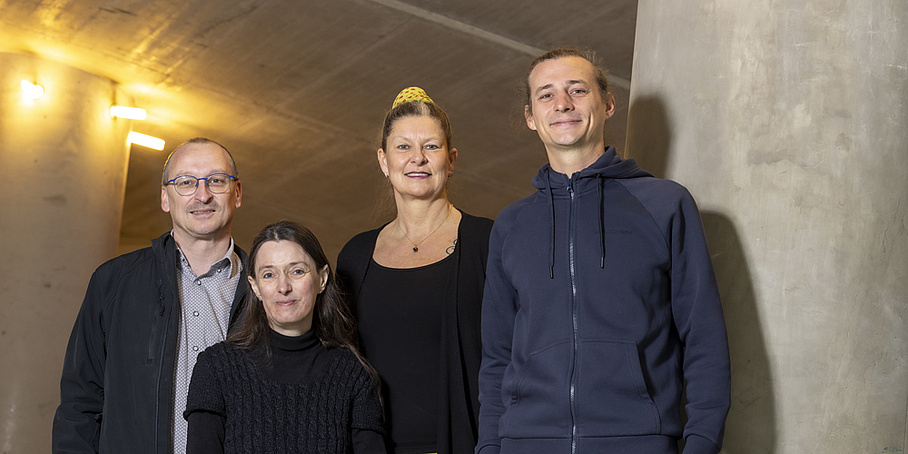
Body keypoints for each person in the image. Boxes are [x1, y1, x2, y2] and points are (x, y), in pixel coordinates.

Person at [475, 48, 731, 454]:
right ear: (530, 117)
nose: (562, 103)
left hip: (638, 441)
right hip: (526, 442)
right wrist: (490, 447)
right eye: (546, 95)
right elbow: (497, 356)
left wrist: (700, 444)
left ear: (608, 104)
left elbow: (703, 338)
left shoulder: (665, 204)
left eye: (577, 89)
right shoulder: (511, 225)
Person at [53, 137, 246, 453]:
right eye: (185, 182)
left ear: (236, 192)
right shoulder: (113, 282)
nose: (202, 194)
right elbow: (81, 403)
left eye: (216, 180)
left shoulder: (267, 291)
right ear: (165, 198)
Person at [337, 87, 493, 454]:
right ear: (383, 160)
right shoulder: (355, 256)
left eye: (432, 147)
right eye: (403, 147)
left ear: (451, 160)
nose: (417, 159)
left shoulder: (489, 242)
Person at [184, 220, 385, 453]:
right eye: (269, 274)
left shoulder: (353, 374)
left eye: (297, 271)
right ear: (256, 287)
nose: (283, 286)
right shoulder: (216, 369)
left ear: (322, 279)